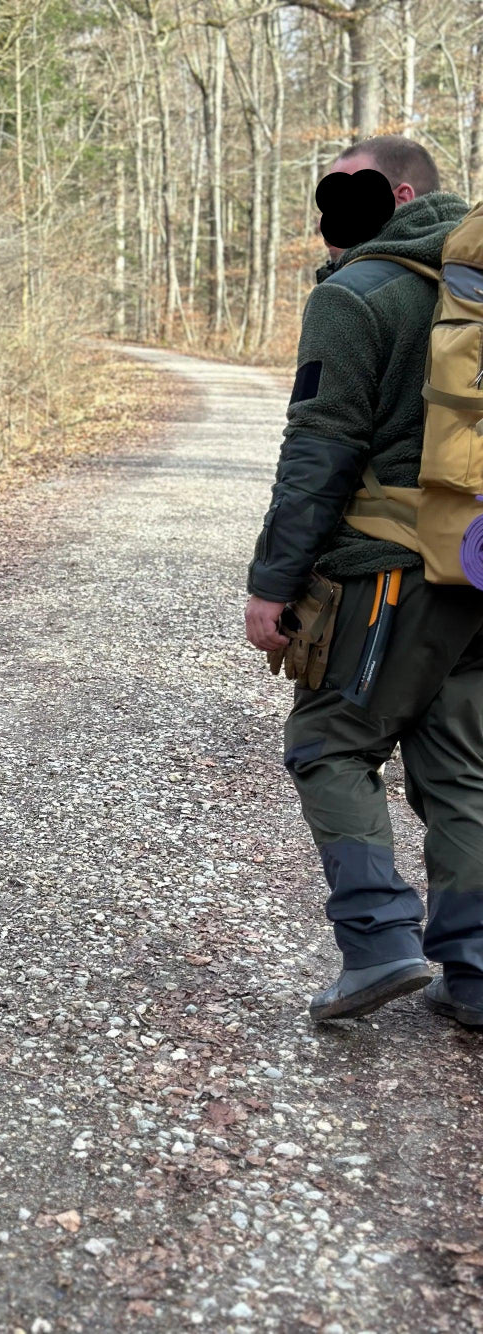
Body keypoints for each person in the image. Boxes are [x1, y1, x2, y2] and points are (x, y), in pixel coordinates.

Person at [244, 135, 483, 1026]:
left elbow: (320, 448)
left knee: (329, 742)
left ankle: (380, 940)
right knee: (461, 767)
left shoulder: (358, 295)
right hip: (477, 567)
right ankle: (475, 970)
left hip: (391, 571)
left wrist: (274, 583)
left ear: (402, 192)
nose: (329, 219)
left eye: (348, 194)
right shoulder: (473, 293)